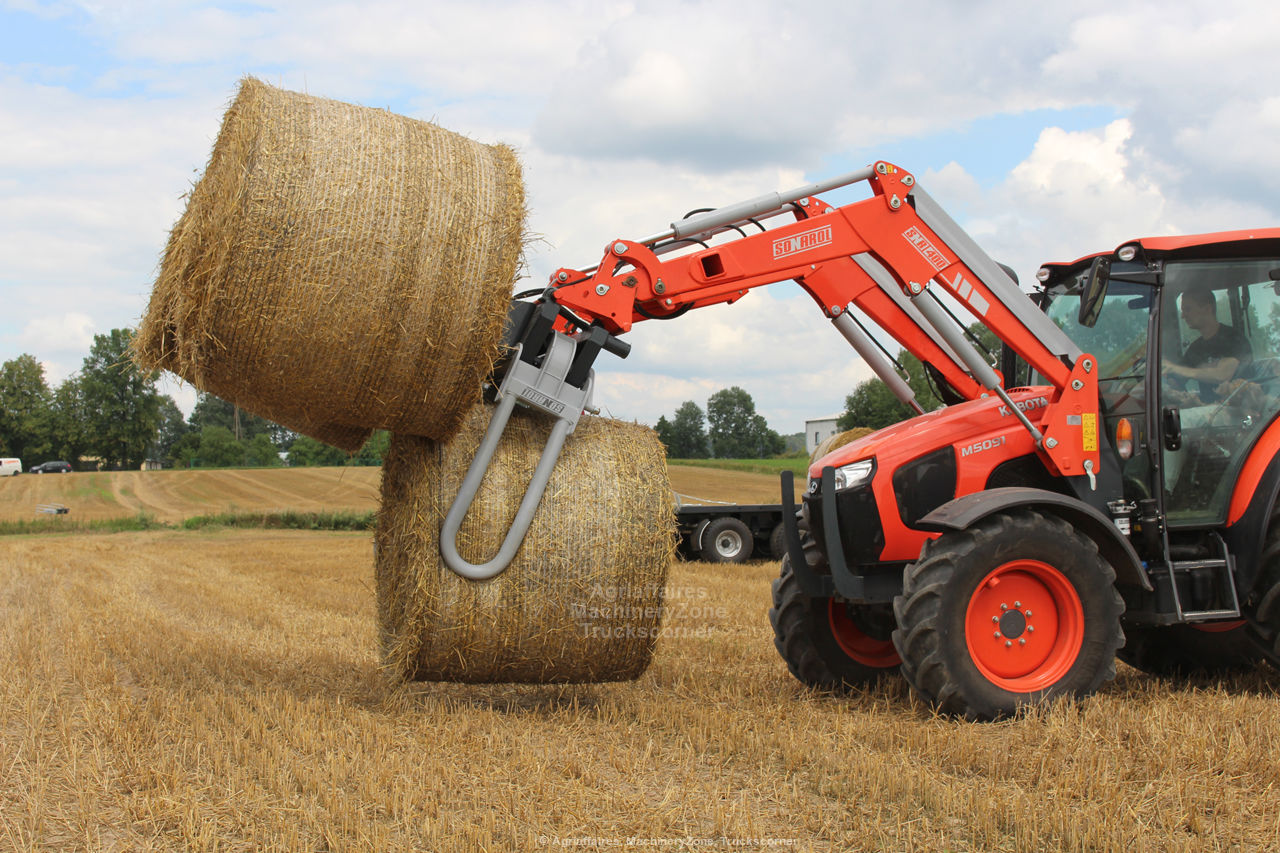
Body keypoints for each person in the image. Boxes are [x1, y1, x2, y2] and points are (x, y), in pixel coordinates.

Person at [1164, 289, 1251, 400]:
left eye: (1188, 309)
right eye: (1183, 310)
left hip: (1241, 407)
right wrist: (1163, 380)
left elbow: (1222, 375)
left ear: (1207, 309)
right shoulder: (1195, 348)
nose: (1183, 316)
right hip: (1209, 409)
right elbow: (1176, 381)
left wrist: (1176, 369)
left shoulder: (1233, 338)